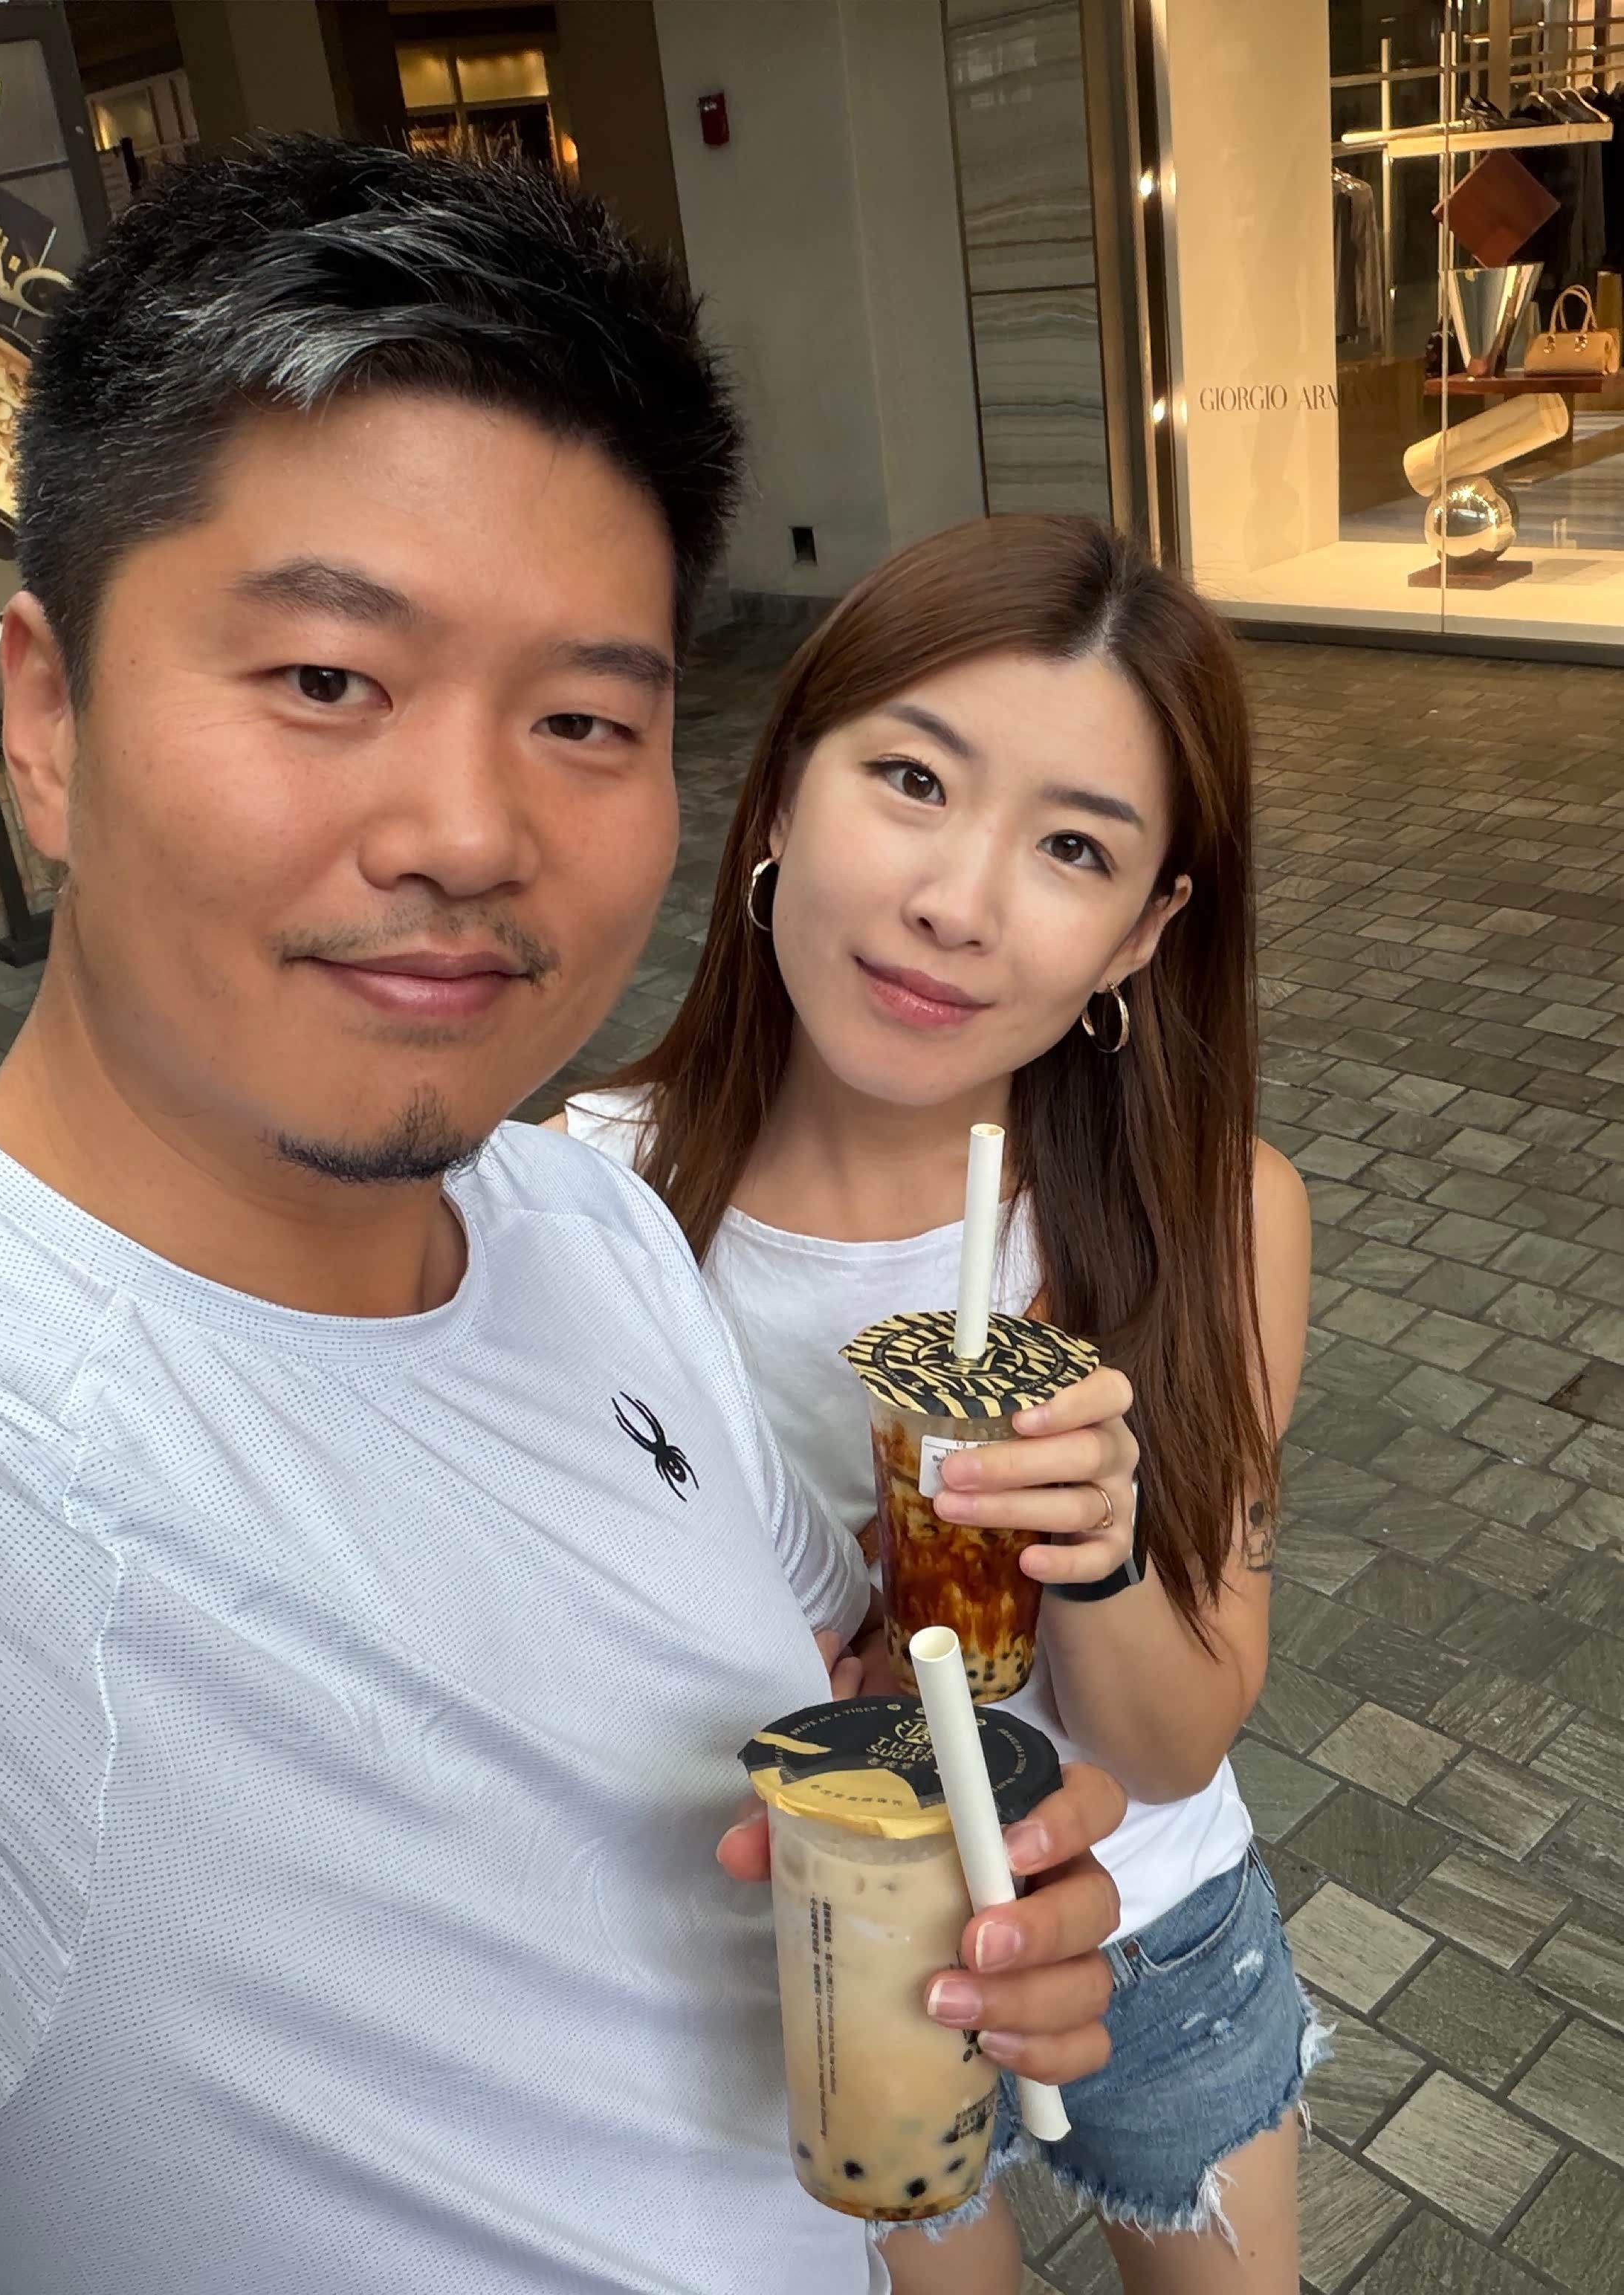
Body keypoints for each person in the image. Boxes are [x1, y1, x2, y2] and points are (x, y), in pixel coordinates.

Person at [0, 146, 1127, 2295]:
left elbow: (828, 1698)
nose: (470, 832)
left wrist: (951, 1889)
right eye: (324, 679)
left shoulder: (593, 1226)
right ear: (52, 717)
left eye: (581, 720)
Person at [555, 514, 1323, 2294]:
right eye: (911, 777)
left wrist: (1096, 1546)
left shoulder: (1216, 1215)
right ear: (780, 790)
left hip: (1157, 1930)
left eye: (1073, 846)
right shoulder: (586, 1204)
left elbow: (1173, 1742)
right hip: (841, 1946)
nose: (958, 902)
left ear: (1142, 932)